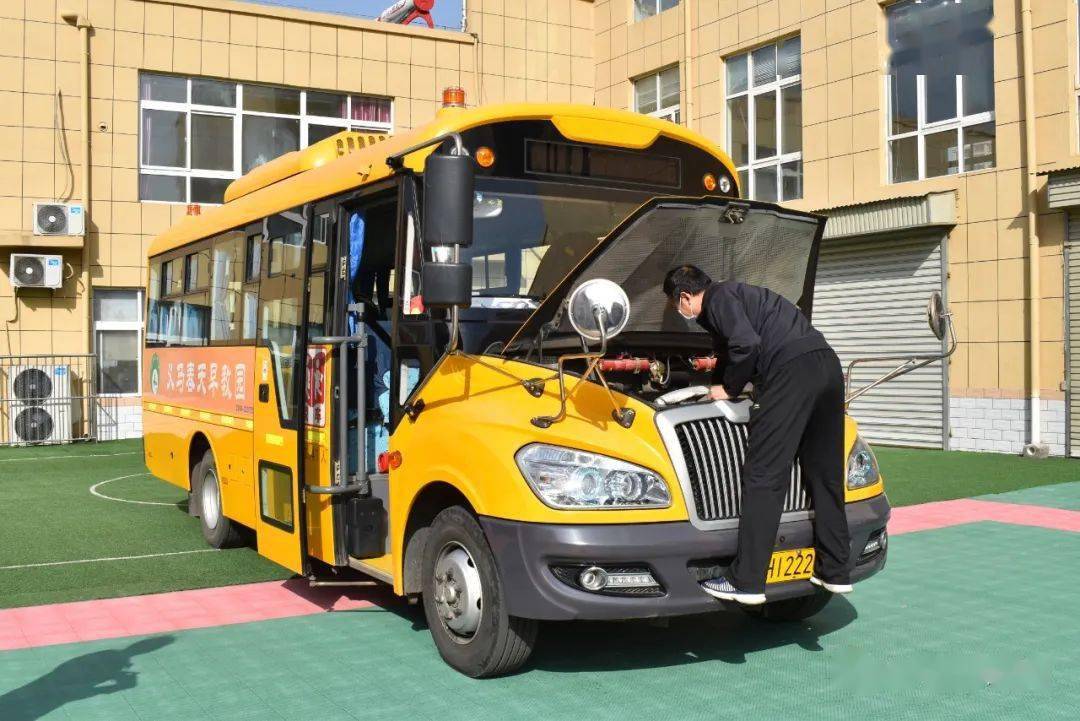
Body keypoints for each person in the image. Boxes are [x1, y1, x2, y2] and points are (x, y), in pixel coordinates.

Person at [662, 264, 852, 605]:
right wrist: (718, 383)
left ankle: (746, 580)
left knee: (764, 474)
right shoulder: (742, 295)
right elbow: (730, 350)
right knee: (825, 474)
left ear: (685, 297)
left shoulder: (719, 298)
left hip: (790, 373)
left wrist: (729, 390)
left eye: (676, 305)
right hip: (827, 366)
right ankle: (835, 569)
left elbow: (745, 344)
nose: (680, 312)